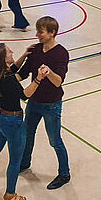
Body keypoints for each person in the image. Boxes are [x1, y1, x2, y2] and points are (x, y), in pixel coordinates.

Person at [0, 43, 48, 200]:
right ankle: (10, 194)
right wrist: (38, 78)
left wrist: (24, 56)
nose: (12, 51)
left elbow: (14, 69)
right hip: (13, 122)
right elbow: (25, 95)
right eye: (9, 51)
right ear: (4, 59)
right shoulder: (9, 80)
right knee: (15, 160)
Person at [13, 16, 71, 190]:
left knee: (55, 140)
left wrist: (49, 72)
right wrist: (6, 81)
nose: (37, 35)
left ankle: (64, 173)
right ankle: (24, 163)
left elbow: (58, 81)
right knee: (27, 134)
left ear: (52, 33)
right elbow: (22, 73)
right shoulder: (36, 50)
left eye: (41, 32)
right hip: (34, 102)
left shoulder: (61, 53)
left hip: (52, 105)